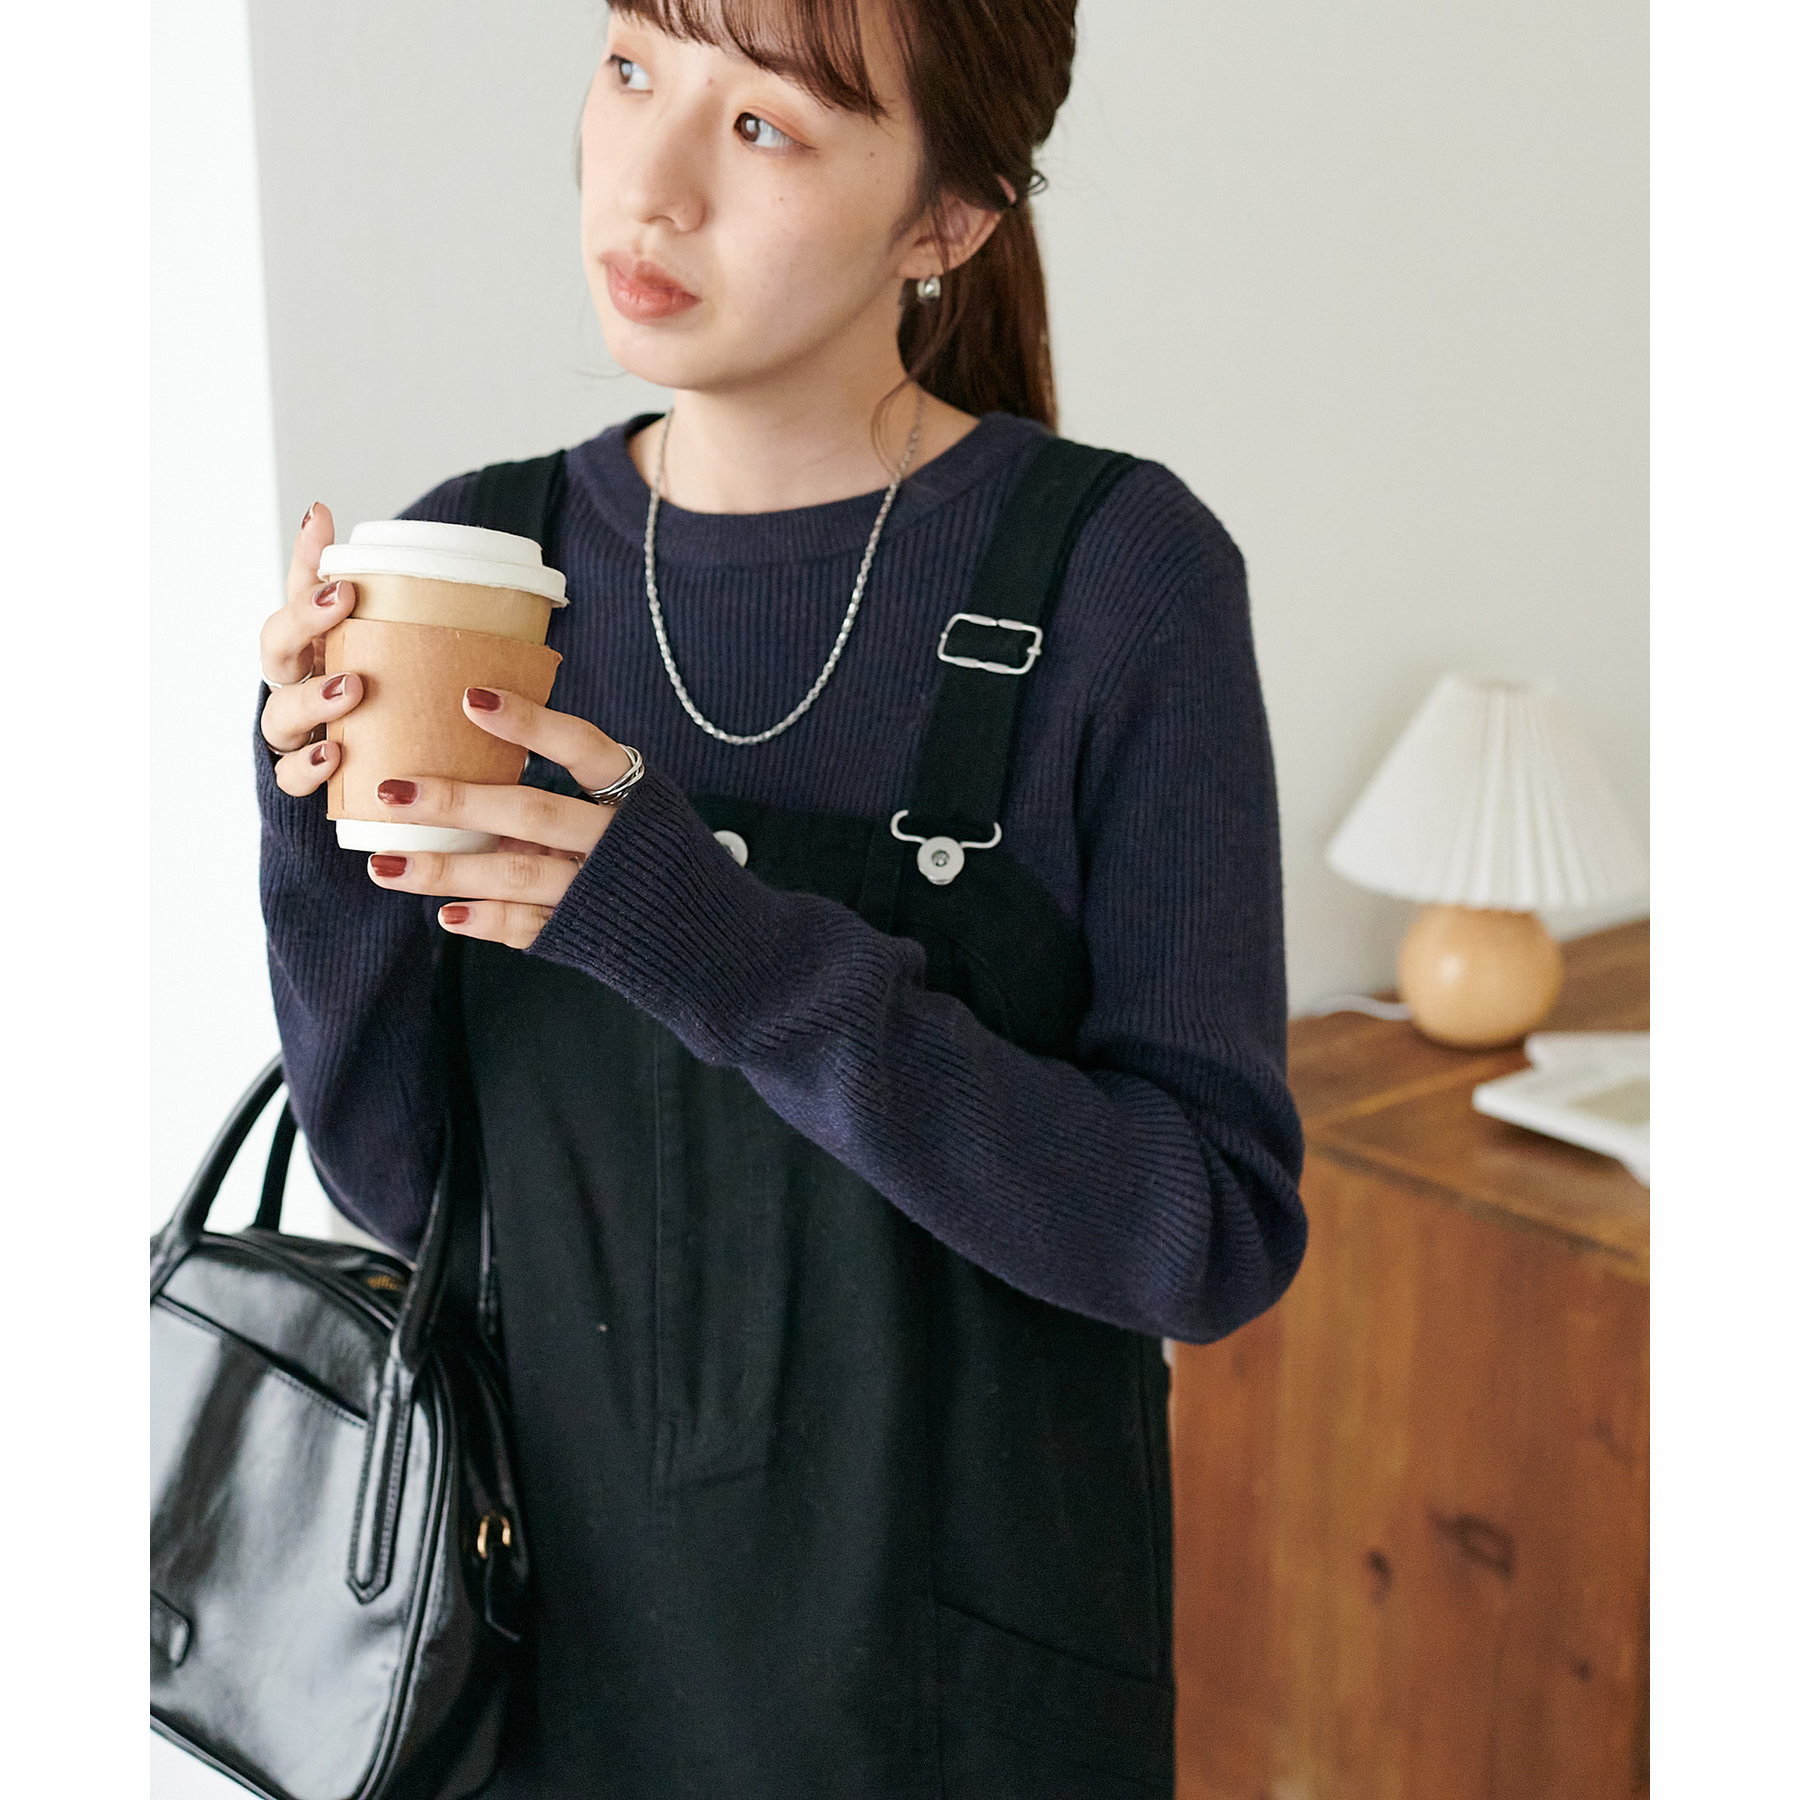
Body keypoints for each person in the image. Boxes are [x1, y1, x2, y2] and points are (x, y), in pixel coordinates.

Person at [254, 2, 1306, 1794]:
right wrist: (310, 815)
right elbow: (415, 1193)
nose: (650, 185)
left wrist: (714, 946)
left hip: (957, 1709)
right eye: (633, 71)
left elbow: (1201, 1236)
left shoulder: (1120, 579)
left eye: (766, 127)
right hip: (557, 1678)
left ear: (946, 219)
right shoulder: (484, 574)